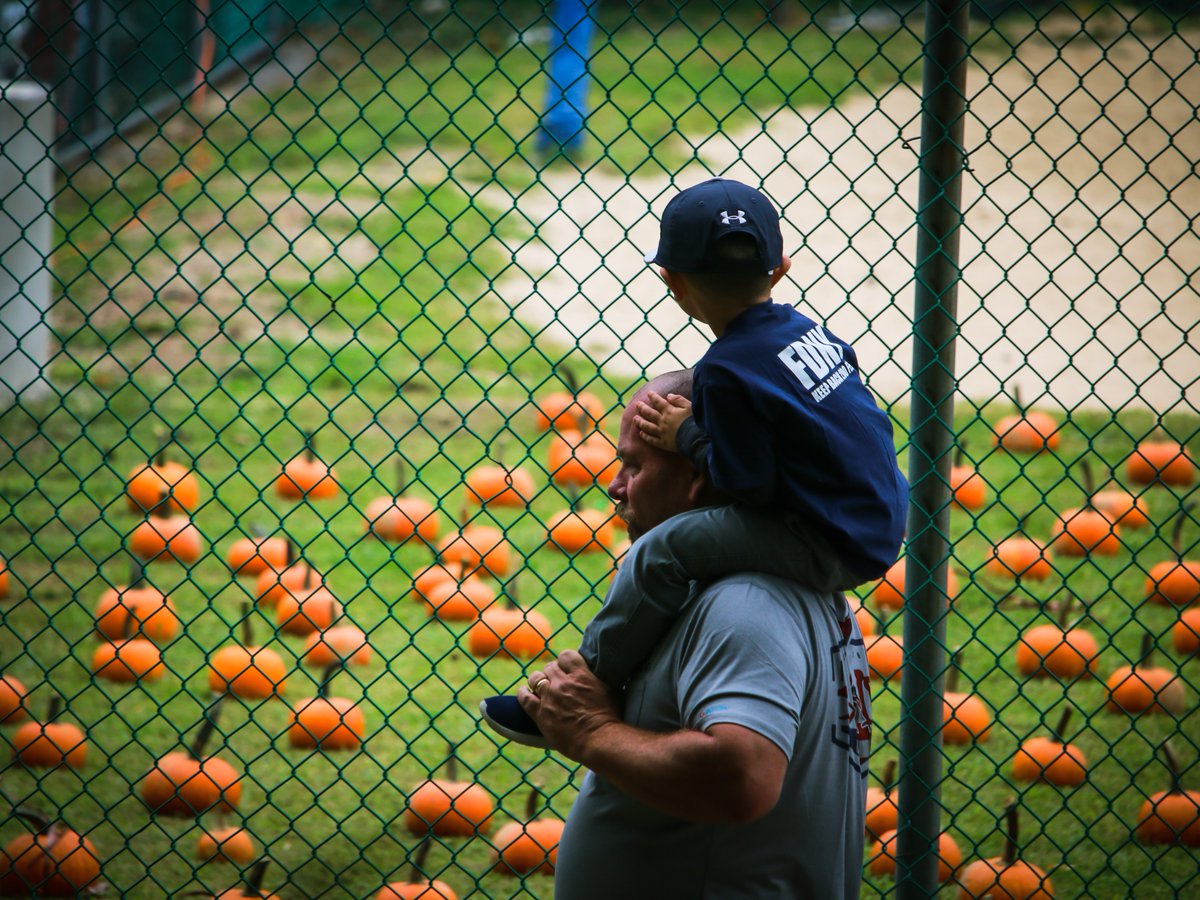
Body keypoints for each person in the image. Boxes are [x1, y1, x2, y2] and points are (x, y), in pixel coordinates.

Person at [480, 177, 905, 746]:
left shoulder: (726, 370)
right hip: (875, 518)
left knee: (661, 550)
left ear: (673, 284)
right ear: (780, 268)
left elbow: (744, 482)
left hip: (828, 541)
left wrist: (688, 437)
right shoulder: (811, 333)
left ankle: (587, 683)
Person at [523, 370, 873, 898]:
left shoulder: (745, 605)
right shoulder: (773, 587)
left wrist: (591, 730)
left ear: (697, 478)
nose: (615, 487)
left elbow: (742, 779)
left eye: (635, 466)